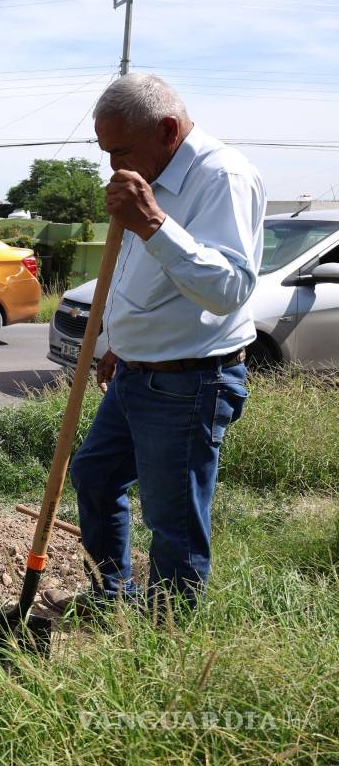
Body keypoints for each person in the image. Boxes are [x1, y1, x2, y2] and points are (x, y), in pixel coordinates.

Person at [44, 74, 265, 617]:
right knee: (95, 474)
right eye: (106, 151)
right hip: (137, 371)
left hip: (190, 379)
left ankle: (166, 636)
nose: (113, 163)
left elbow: (229, 288)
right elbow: (139, 278)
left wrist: (154, 224)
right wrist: (119, 341)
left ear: (168, 130)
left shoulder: (222, 177)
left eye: (121, 149)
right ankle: (111, 595)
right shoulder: (148, 176)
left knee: (172, 520)